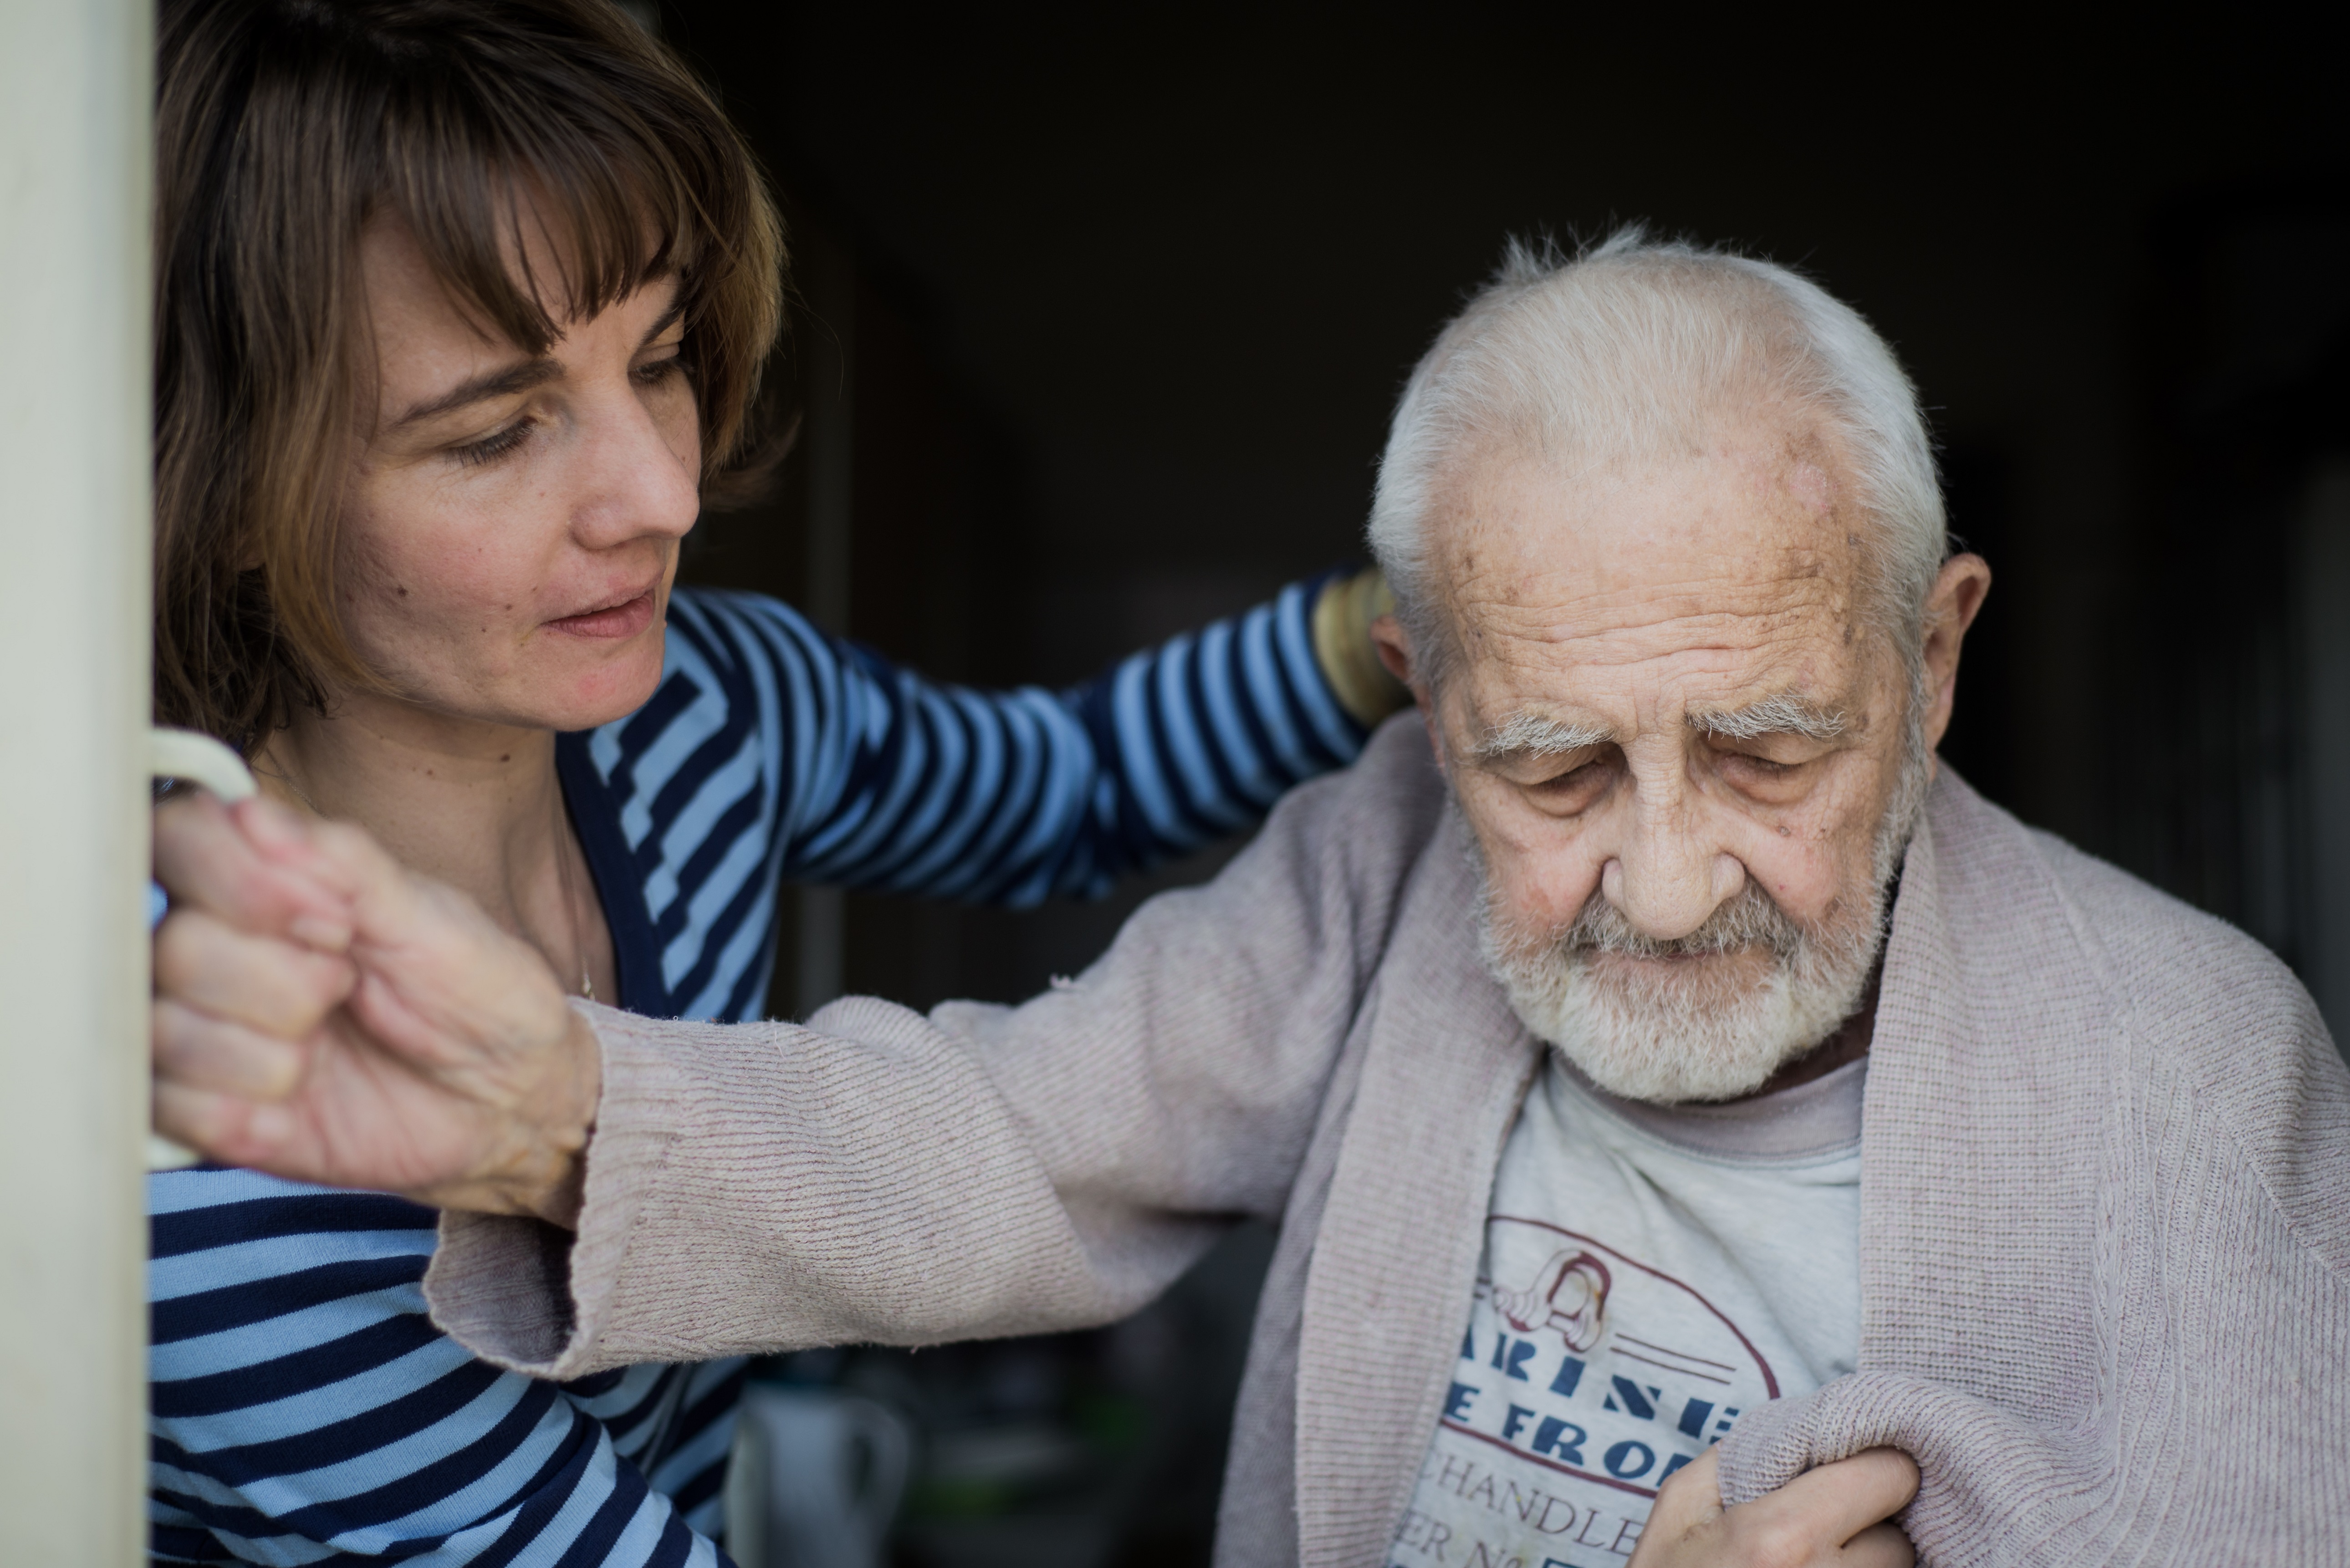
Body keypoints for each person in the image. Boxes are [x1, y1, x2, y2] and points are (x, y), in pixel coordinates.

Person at [151, 234, 2350, 1567]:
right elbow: (1021, 1136)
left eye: (1771, 750)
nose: (1666, 886)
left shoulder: (2195, 1060)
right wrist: (550, 1120)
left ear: (1939, 655)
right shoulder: (1376, 860)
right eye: (1551, 766)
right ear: (1425, 686)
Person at [142, 1, 1405, 1563]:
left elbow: (1064, 788)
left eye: (659, 359)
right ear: (228, 487)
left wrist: (1371, 639)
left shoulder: (707, 712)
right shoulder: (218, 1129)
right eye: (496, 434)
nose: (662, 494)